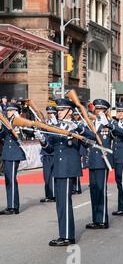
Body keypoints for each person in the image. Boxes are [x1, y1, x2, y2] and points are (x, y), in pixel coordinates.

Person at [39, 99, 95, 246]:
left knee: (64, 202)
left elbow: (92, 138)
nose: (59, 112)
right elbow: (50, 148)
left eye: (62, 110)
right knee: (61, 203)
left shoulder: (78, 126)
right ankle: (64, 234)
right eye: (58, 110)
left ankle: (67, 237)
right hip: (58, 167)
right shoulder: (55, 127)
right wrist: (42, 140)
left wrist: (77, 128)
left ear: (70, 111)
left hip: (68, 168)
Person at [85, 99, 114, 229]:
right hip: (92, 160)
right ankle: (95, 219)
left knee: (101, 190)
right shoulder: (91, 124)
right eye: (97, 109)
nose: (99, 112)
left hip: (103, 161)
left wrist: (108, 123)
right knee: (93, 190)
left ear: (106, 111)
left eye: (102, 109)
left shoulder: (109, 124)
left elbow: (119, 133)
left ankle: (102, 220)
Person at [0, 103, 26, 215]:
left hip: (14, 154)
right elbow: (2, 135)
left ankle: (13, 207)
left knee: (11, 180)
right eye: (8, 110)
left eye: (11, 111)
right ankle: (11, 205)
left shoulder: (17, 122)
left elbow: (21, 135)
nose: (8, 112)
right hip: (7, 154)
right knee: (8, 180)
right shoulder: (6, 122)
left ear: (15, 111)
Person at [40, 106, 58, 203]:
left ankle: (54, 195)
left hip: (54, 152)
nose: (50, 115)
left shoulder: (58, 124)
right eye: (48, 113)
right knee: (46, 176)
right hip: (46, 152)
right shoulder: (45, 124)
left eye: (51, 113)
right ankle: (48, 195)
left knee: (53, 175)